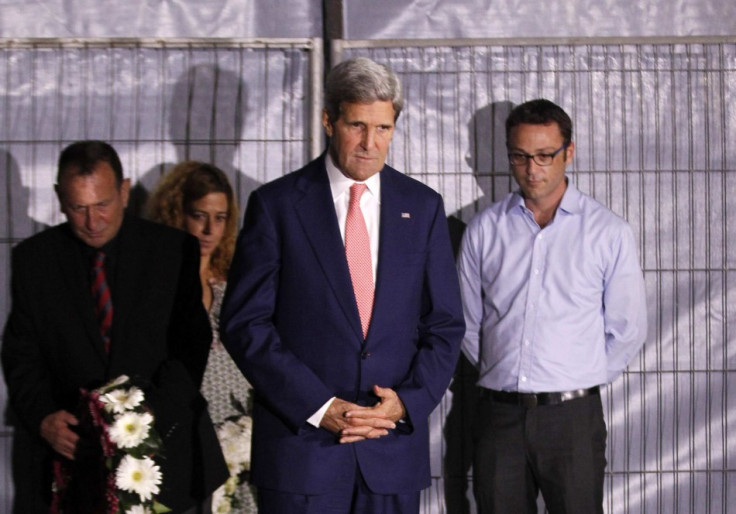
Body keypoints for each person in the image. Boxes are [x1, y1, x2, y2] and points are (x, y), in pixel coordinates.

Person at [220, 57, 465, 514]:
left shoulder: (423, 207)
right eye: (357, 125)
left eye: (383, 128)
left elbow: (446, 325)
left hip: (390, 453)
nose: (370, 143)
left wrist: (406, 404)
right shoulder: (276, 206)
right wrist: (319, 405)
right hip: (303, 455)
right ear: (329, 120)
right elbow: (245, 324)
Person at [1, 141, 228, 513]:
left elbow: (190, 345)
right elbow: (21, 355)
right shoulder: (34, 261)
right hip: (72, 467)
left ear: (124, 191)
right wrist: (43, 417)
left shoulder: (172, 251)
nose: (93, 222)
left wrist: (142, 421)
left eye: (102, 205)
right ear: (59, 198)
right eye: (79, 208)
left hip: (168, 458)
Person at [457, 98, 648, 514]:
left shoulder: (607, 233)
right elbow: (468, 325)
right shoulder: (484, 231)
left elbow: (627, 328)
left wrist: (575, 375)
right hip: (499, 418)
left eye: (545, 156)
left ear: (569, 153)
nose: (532, 169)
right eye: (521, 156)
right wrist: (505, 374)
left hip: (572, 420)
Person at [147, 161, 256, 513]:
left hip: (240, 435)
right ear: (176, 213)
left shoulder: (235, 283)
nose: (210, 229)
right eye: (199, 215)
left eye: (221, 218)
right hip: (184, 439)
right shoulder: (155, 284)